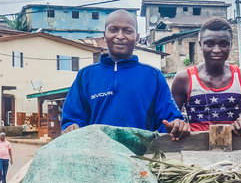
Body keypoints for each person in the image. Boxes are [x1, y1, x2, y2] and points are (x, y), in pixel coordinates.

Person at [61, 9, 189, 140]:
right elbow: (71, 120)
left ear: (137, 37)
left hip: (142, 156)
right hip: (96, 156)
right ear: (104, 35)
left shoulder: (153, 76)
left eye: (128, 31)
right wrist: (71, 126)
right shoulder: (86, 76)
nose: (120, 36)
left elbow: (169, 118)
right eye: (113, 30)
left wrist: (176, 124)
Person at [170, 17, 241, 131]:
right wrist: (177, 124)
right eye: (209, 44)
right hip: (195, 147)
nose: (217, 50)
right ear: (200, 45)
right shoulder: (184, 79)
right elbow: (173, 118)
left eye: (223, 44)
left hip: (239, 146)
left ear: (231, 45)